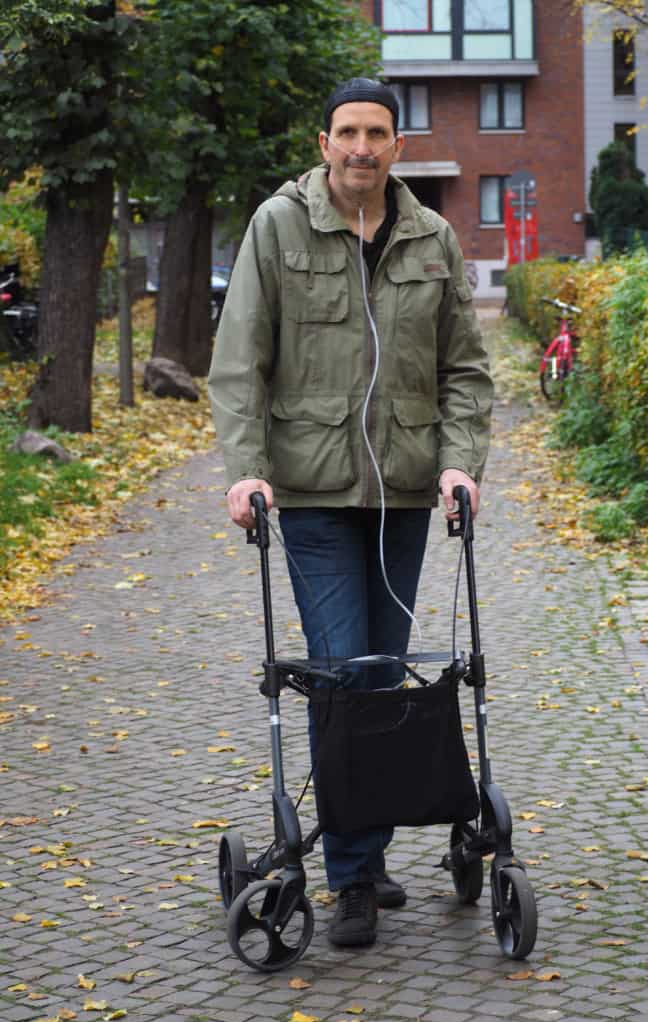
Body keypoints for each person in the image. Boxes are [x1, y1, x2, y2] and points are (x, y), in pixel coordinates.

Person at [208, 78, 493, 949]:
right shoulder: (277, 225)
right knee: (339, 669)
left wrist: (457, 462)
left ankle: (362, 854)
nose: (361, 147)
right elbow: (239, 360)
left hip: (404, 494)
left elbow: (465, 371)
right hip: (315, 492)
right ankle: (352, 878)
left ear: (396, 146)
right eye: (347, 133)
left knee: (382, 670)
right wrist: (246, 473)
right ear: (323, 140)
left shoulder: (432, 237)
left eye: (376, 133)